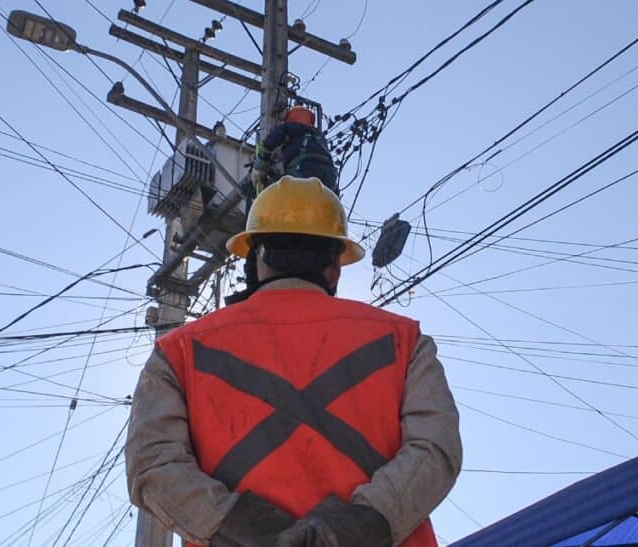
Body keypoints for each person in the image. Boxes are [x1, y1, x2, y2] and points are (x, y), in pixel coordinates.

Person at [126, 176, 461, 547]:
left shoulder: (177, 352)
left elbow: (154, 466)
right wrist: (353, 528)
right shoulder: (404, 341)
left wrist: (255, 533)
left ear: (256, 259)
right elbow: (435, 449)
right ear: (335, 265)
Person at [252, 106, 339, 195]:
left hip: (304, 170)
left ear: (290, 118)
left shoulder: (289, 127)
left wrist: (259, 166)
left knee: (279, 191)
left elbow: (270, 142)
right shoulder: (319, 137)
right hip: (330, 177)